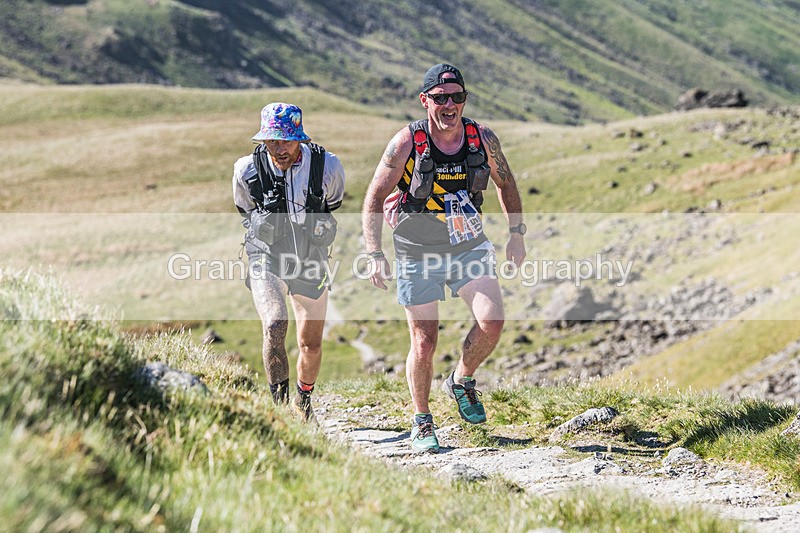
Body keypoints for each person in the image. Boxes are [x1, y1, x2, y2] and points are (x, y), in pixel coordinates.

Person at [361, 64, 527, 452]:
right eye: (440, 98)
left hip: (468, 244)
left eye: (457, 97)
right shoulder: (407, 142)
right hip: (416, 249)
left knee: (492, 321)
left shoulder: (481, 137)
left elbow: (507, 183)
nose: (449, 105)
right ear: (425, 101)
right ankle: (422, 420)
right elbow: (372, 198)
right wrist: (374, 252)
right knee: (424, 341)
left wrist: (517, 234)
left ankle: (462, 379)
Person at [232, 102, 345, 421]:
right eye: (270, 141)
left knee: (310, 343)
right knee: (274, 322)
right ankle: (279, 412)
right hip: (264, 256)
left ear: (300, 138)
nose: (278, 148)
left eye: (285, 140)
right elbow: (245, 209)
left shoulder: (329, 166)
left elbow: (332, 202)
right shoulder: (246, 170)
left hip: (311, 257)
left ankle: (303, 402)